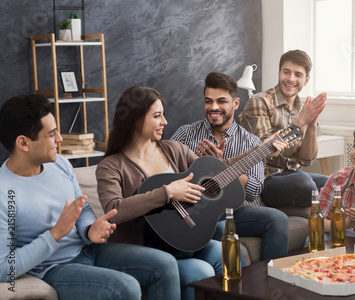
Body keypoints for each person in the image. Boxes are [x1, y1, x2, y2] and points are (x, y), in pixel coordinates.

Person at [96, 86, 285, 300]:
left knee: (227, 250)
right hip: (146, 246)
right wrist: (167, 192)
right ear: (136, 120)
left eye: (163, 115)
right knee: (201, 271)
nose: (164, 122)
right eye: (157, 116)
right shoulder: (111, 166)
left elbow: (221, 172)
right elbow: (113, 210)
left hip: (183, 239)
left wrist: (263, 149)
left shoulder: (173, 150)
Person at [0, 95, 180, 299]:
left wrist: (88, 229)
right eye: (51, 134)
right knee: (125, 287)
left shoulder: (59, 164)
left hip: (88, 250)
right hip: (53, 267)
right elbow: (5, 268)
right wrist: (55, 235)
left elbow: (83, 208)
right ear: (23, 143)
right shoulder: (4, 193)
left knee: (165, 264)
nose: (59, 139)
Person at [170, 72, 289, 260]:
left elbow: (254, 189)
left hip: (233, 212)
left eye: (221, 101)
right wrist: (198, 166)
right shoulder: (185, 134)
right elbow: (166, 173)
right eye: (208, 101)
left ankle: (271, 284)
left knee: (278, 219)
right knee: (220, 229)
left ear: (235, 104)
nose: (213, 107)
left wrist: (221, 168)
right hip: (191, 209)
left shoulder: (251, 142)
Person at [239, 49, 329, 207]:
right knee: (305, 185)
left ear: (306, 80)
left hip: (293, 174)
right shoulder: (259, 102)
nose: (291, 79)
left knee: (332, 184)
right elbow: (263, 152)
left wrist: (312, 124)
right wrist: (301, 121)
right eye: (286, 72)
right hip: (265, 179)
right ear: (279, 72)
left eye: (298, 75)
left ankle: (317, 219)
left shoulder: (302, 107)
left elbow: (306, 160)